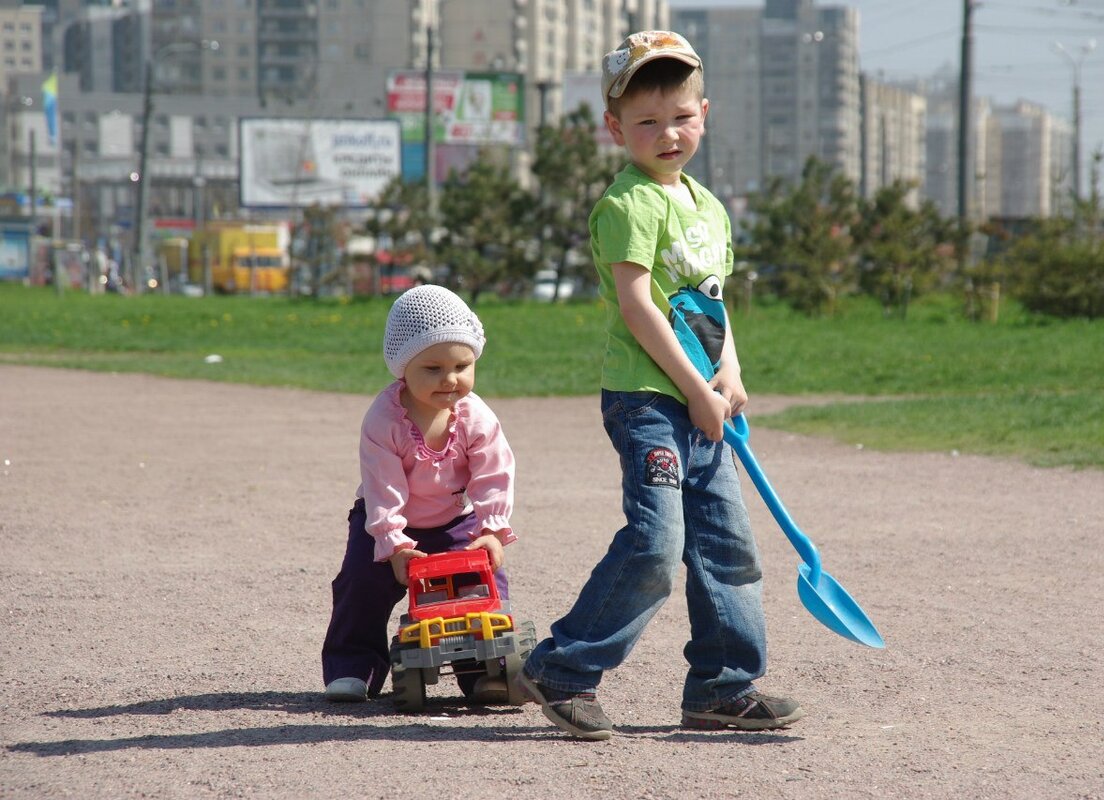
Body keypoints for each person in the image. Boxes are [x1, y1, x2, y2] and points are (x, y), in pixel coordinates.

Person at [516, 30, 802, 741]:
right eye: (646, 121)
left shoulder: (709, 208)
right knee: (655, 542)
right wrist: (695, 391)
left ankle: (721, 685)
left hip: (703, 403)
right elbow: (641, 309)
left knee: (728, 547)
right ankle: (564, 669)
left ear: (704, 112)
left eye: (679, 115)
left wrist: (729, 372)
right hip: (649, 402)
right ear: (615, 128)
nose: (666, 133)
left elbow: (711, 300)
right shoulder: (628, 205)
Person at [322, 285, 517, 704]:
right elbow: (383, 487)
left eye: (462, 366)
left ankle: (485, 671)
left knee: (479, 586)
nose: (450, 379)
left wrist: (491, 529)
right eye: (432, 368)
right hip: (386, 521)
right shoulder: (384, 419)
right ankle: (354, 666)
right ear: (402, 369)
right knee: (362, 585)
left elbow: (493, 472)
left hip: (454, 521)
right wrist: (392, 545)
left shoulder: (475, 415)